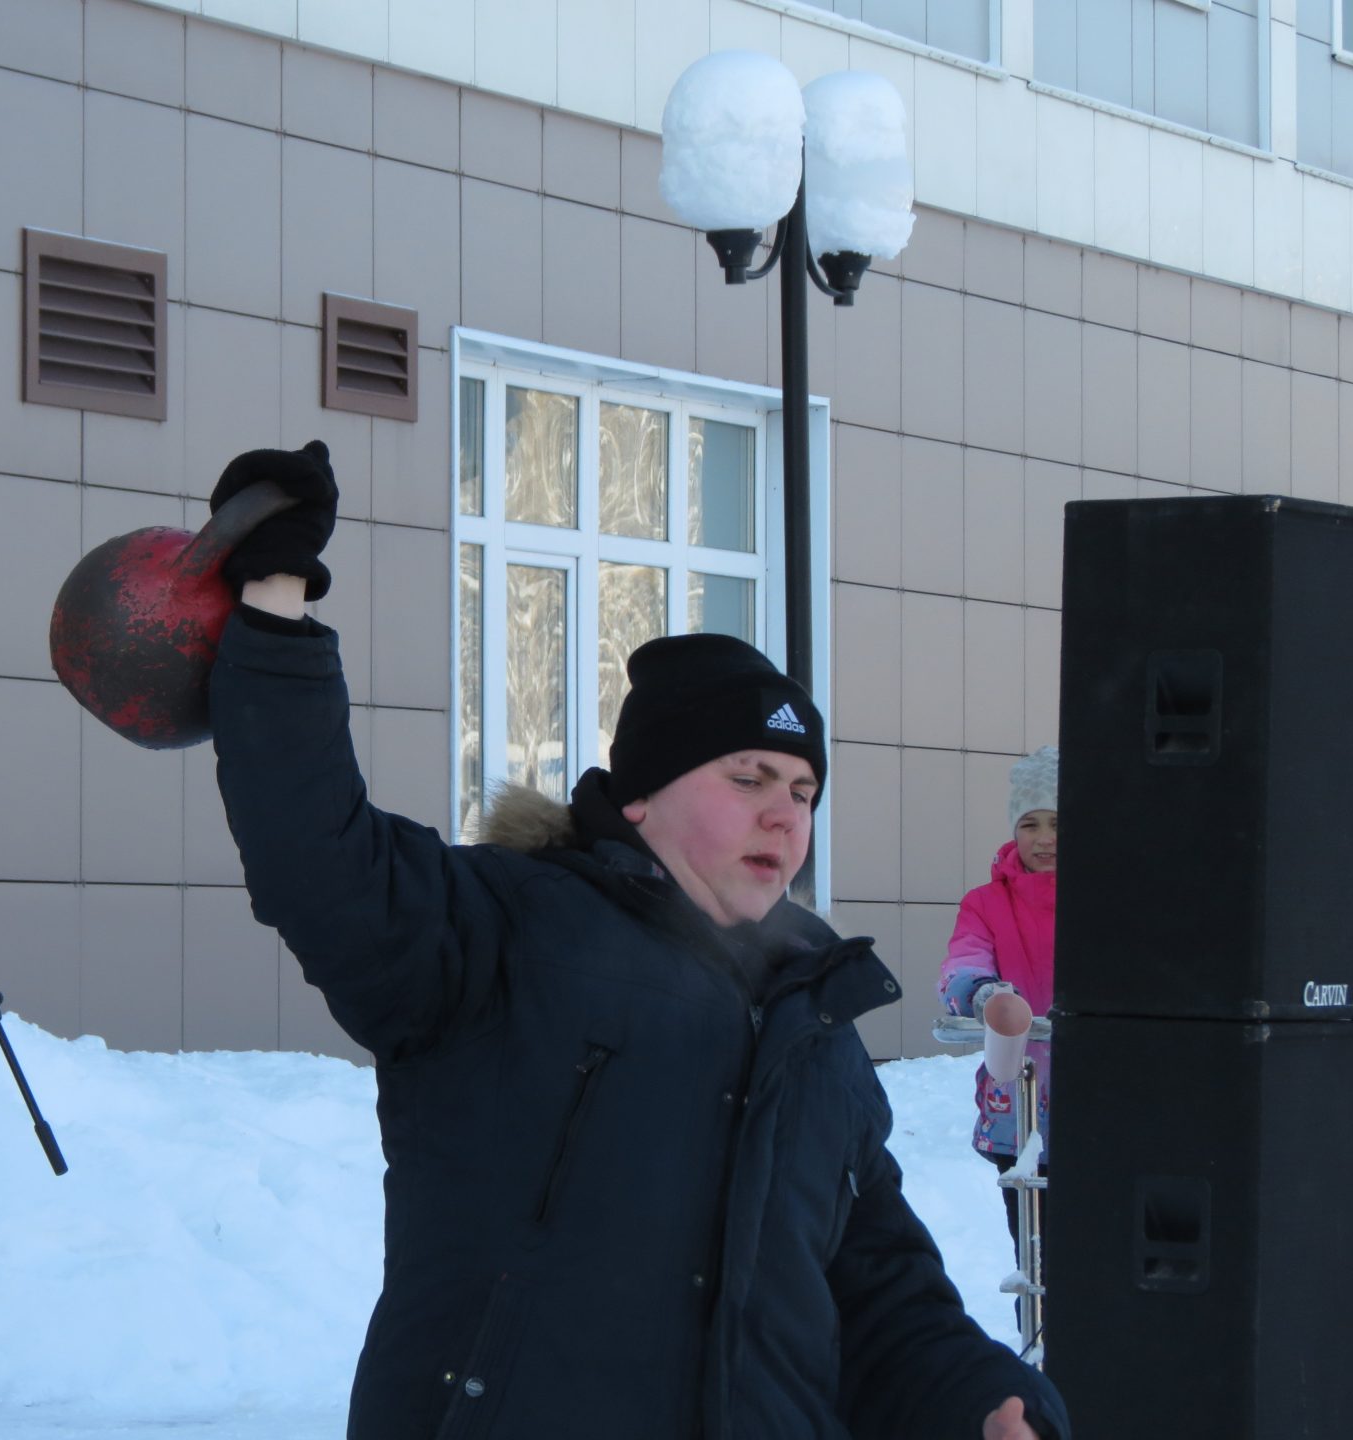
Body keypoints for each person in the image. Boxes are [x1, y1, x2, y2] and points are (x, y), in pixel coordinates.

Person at [206, 441, 1070, 1439]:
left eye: (804, 792)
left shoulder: (816, 1026)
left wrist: (988, 1404)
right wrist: (274, 604)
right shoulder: (503, 931)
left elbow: (881, 1296)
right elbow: (316, 852)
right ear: (641, 797)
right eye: (748, 778)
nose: (785, 814)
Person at [939, 747, 1058, 1260]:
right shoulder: (986, 904)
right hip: (1020, 1102)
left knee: (1101, 1260)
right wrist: (982, 992)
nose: (1044, 838)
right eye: (1030, 824)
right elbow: (964, 959)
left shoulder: (1111, 897)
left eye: (1058, 823)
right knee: (1036, 1258)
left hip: (1105, 1106)